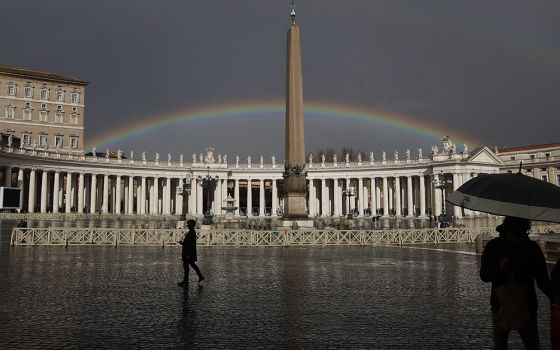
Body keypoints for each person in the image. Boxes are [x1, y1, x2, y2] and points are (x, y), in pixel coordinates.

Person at [480, 216, 553, 349]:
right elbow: (484, 275)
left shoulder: (531, 248)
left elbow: (542, 280)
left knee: (530, 344)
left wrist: (554, 297)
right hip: (502, 304)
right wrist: (499, 268)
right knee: (503, 345)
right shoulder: (495, 246)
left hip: (524, 304)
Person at [178, 219, 204, 287]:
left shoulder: (191, 232)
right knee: (191, 265)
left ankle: (186, 280)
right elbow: (188, 243)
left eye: (188, 224)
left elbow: (190, 244)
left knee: (187, 267)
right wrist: (183, 243)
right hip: (188, 252)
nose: (187, 225)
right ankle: (199, 277)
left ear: (191, 225)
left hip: (188, 253)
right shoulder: (191, 232)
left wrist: (188, 254)